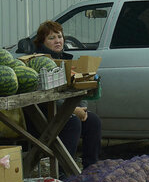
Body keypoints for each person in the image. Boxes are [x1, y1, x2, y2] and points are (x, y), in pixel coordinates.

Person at [31, 20, 102, 167]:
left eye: (59, 36)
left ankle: (91, 168)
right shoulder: (38, 62)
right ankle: (66, 173)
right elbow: (43, 98)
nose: (57, 41)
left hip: (65, 112)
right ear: (42, 42)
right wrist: (72, 110)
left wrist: (81, 108)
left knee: (93, 121)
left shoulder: (67, 61)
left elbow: (77, 87)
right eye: (51, 38)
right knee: (72, 122)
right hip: (42, 117)